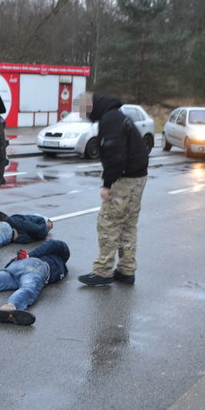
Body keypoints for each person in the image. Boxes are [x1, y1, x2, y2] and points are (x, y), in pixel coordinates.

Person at [76, 92, 148, 286]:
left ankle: (103, 271)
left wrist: (107, 184)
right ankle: (126, 270)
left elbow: (115, 154)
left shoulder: (110, 120)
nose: (83, 115)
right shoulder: (116, 115)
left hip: (125, 178)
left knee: (108, 223)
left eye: (83, 110)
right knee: (127, 225)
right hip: (138, 176)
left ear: (91, 107)